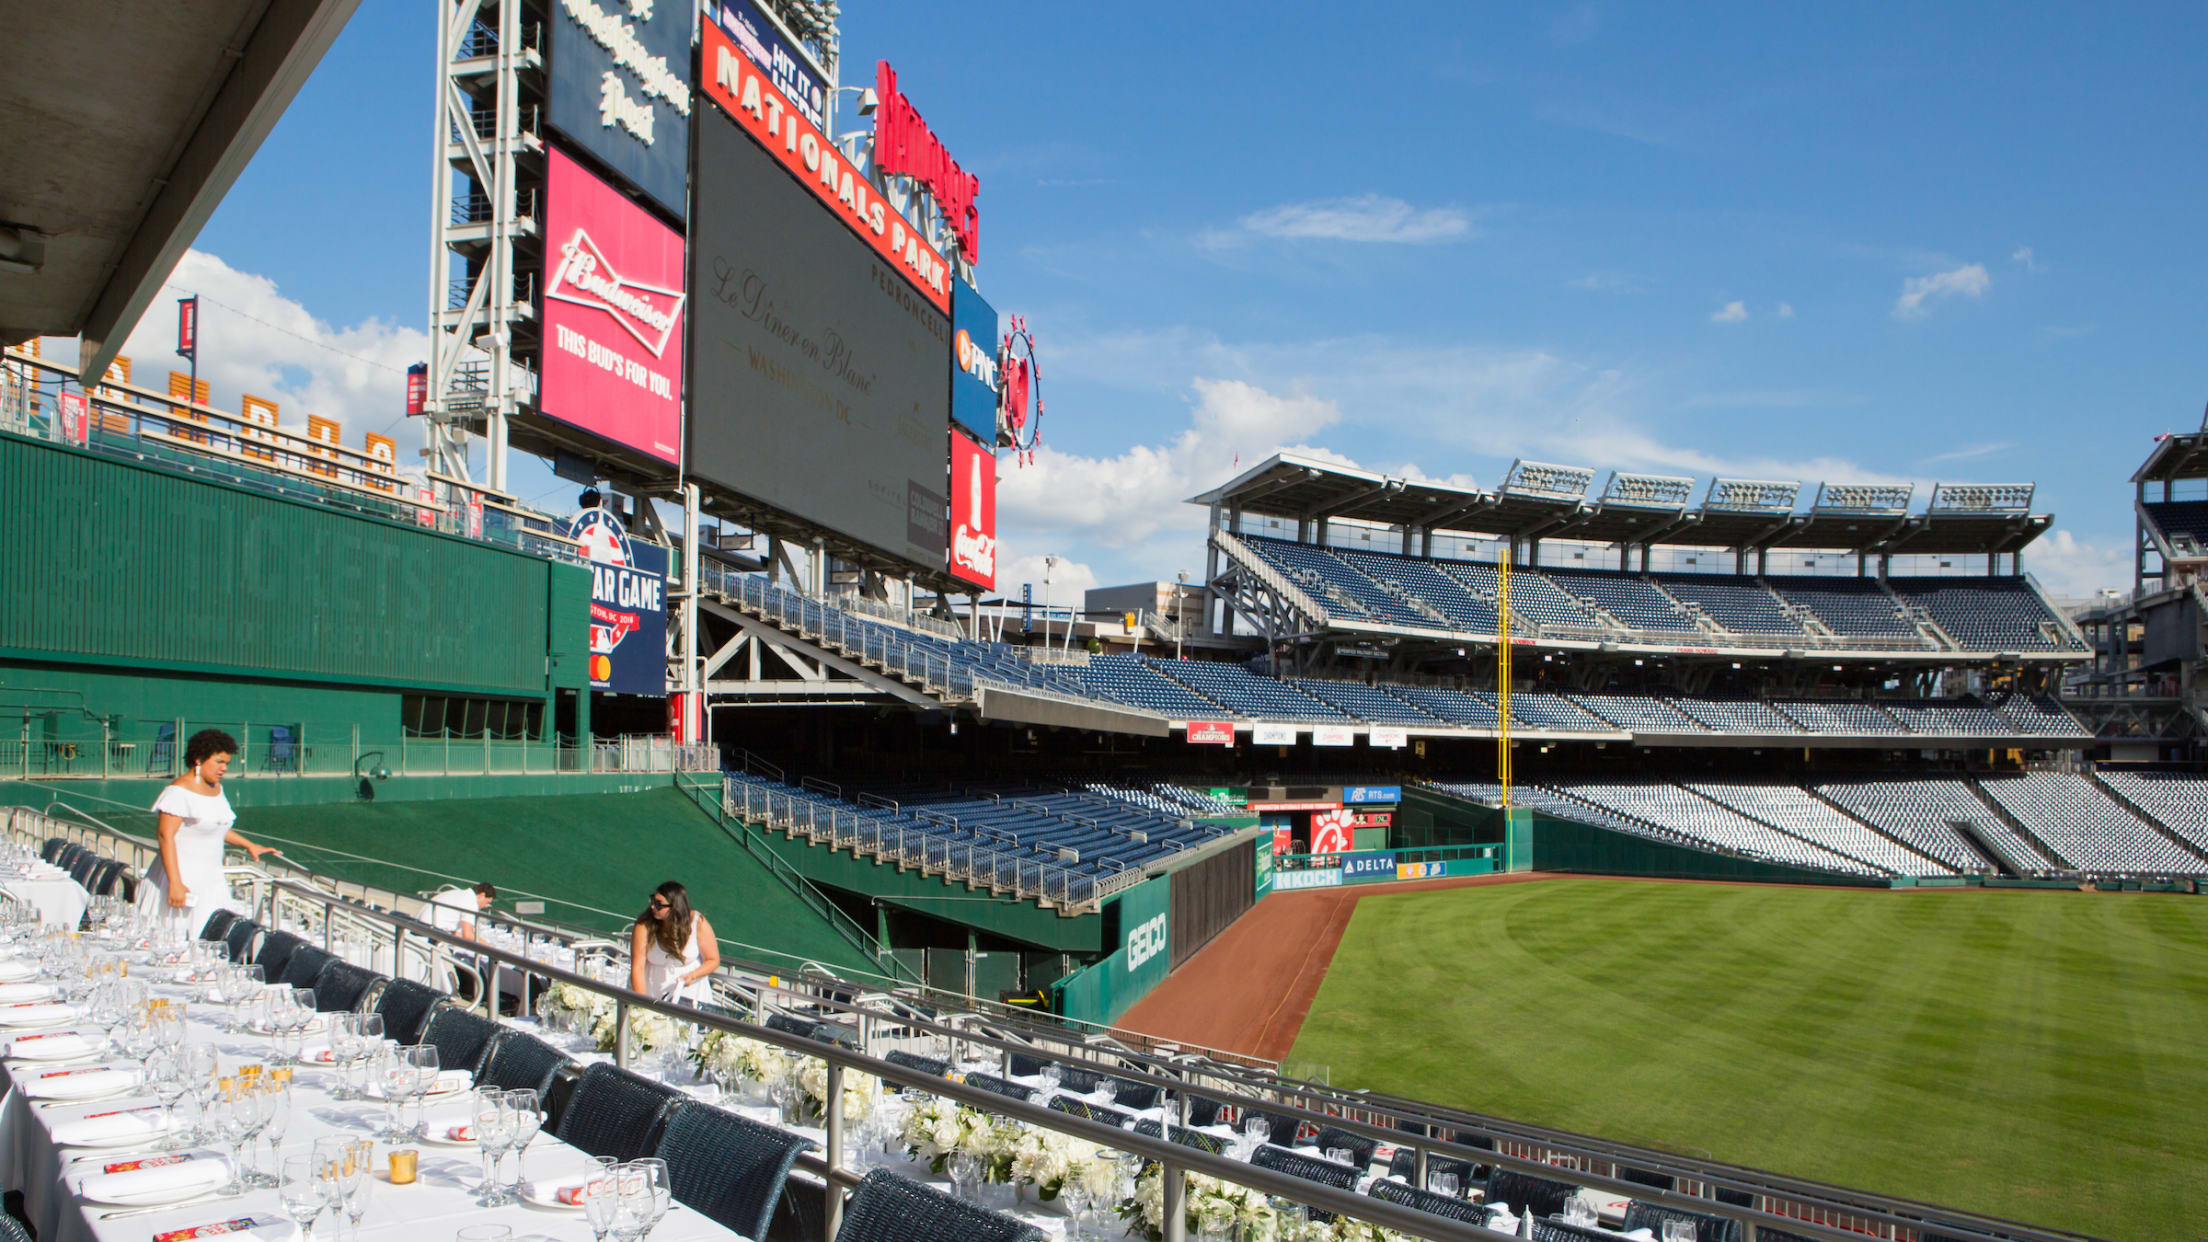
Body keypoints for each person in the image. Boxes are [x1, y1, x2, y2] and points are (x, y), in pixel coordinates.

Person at [143, 728, 280, 930]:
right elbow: (165, 836)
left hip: (210, 881)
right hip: (181, 881)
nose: (224, 768)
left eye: (226, 763)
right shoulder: (178, 792)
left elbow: (216, 827)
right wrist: (175, 883)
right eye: (219, 762)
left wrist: (250, 845)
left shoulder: (216, 788)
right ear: (199, 759)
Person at [629, 881, 719, 1005]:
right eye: (652, 901)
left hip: (691, 995)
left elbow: (713, 960)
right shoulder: (644, 926)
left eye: (659, 904)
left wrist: (692, 976)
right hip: (653, 993)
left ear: (675, 906)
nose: (652, 907)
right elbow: (637, 967)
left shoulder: (698, 923)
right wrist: (642, 1004)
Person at [422, 881, 497, 943]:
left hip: (420, 928)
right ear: (482, 895)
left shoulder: (458, 893)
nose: (486, 906)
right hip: (429, 936)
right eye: (487, 902)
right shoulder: (471, 903)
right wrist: (490, 948)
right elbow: (467, 935)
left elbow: (453, 932)